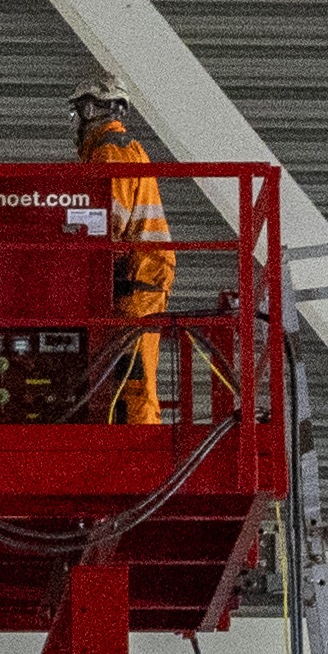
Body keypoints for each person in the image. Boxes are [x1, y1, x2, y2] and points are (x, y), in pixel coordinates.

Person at [74, 83, 184, 423]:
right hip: (140, 278)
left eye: (77, 112)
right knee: (125, 379)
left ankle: (144, 456)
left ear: (91, 110)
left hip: (137, 281)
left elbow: (111, 221)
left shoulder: (110, 151)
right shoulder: (124, 147)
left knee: (134, 382)